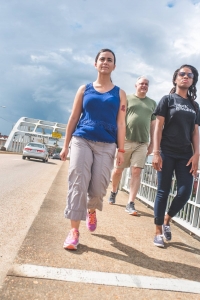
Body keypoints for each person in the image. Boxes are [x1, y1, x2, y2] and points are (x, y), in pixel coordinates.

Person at [60, 48, 126, 250]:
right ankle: (74, 231)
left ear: (114, 66)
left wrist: (121, 150)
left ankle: (91, 209)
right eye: (102, 59)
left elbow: (121, 123)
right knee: (78, 182)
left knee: (98, 188)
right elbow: (73, 117)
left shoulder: (119, 93)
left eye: (110, 60)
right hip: (82, 139)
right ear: (95, 63)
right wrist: (65, 145)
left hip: (107, 144)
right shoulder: (84, 89)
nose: (105, 62)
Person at [152, 64, 199, 248]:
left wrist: (197, 154)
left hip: (186, 155)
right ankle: (157, 232)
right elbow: (158, 127)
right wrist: (156, 152)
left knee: (184, 192)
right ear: (176, 78)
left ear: (193, 81)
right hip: (166, 152)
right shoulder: (167, 100)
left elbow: (195, 132)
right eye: (182, 74)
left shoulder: (194, 105)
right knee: (163, 192)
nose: (185, 77)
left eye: (190, 75)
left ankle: (167, 219)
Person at [108, 76, 157, 215]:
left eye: (146, 84)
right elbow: (119, 118)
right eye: (141, 83)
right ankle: (113, 190)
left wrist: (152, 143)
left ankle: (130, 203)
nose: (144, 86)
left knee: (136, 171)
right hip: (126, 140)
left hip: (142, 143)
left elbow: (154, 124)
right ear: (136, 85)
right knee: (118, 170)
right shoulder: (127, 98)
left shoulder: (152, 103)